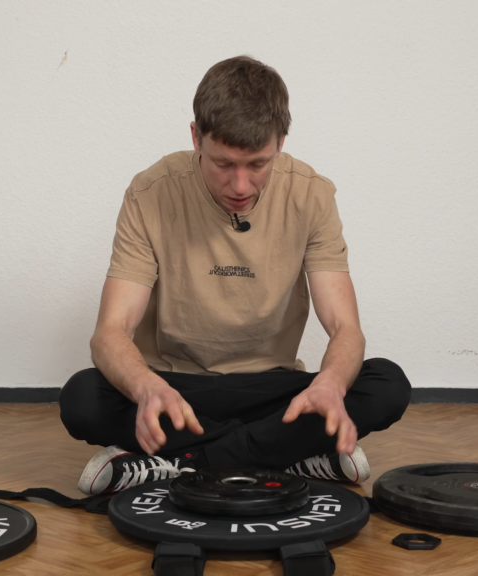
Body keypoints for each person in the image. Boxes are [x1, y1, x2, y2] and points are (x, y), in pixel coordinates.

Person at [59, 55, 412, 496]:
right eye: (224, 164)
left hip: (272, 390)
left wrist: (330, 385)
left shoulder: (312, 195)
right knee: (81, 397)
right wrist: (146, 387)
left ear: (281, 142)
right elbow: (110, 333)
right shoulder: (150, 192)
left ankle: (177, 462)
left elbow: (345, 328)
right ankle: (288, 456)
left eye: (258, 164)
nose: (241, 185)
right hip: (176, 389)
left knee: (387, 384)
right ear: (196, 138)